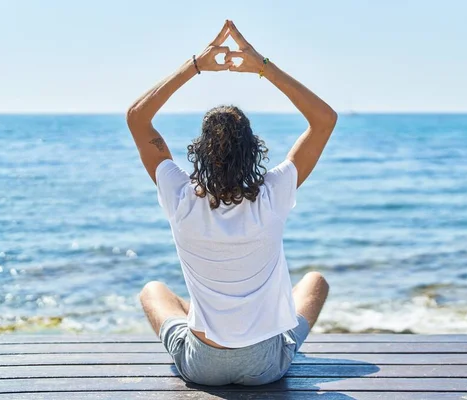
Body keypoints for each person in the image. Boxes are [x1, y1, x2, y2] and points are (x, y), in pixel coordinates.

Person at [126, 20, 337, 386]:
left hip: (201, 364)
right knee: (315, 282)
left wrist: (196, 65)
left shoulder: (179, 195)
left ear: (200, 153)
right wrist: (262, 67)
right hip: (265, 367)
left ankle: (211, 316)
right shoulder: (274, 193)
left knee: (153, 291)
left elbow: (137, 117)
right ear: (253, 150)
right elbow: (324, 120)